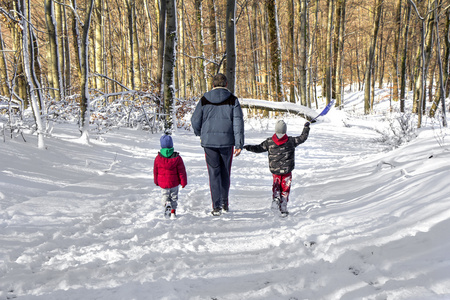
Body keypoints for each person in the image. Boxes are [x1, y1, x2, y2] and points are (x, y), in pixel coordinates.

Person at [191, 73, 244, 216]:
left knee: (213, 173)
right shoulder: (233, 100)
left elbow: (195, 121)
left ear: (213, 85)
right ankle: (225, 202)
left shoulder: (204, 100)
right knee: (225, 172)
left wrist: (200, 133)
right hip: (227, 143)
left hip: (209, 143)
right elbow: (238, 123)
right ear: (226, 84)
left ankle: (216, 206)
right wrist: (239, 143)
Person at [243, 120, 310, 216]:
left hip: (275, 170)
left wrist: (248, 147)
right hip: (287, 170)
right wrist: (306, 128)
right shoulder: (291, 141)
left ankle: (276, 198)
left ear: (275, 130)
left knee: (276, 185)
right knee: (285, 188)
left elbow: (258, 148)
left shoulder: (269, 142)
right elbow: (302, 138)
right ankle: (283, 207)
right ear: (285, 130)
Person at [153, 134, 187, 219]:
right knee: (174, 197)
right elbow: (182, 171)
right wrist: (183, 181)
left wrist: (156, 181)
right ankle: (173, 212)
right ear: (172, 145)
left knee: (165, 195)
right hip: (174, 183)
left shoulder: (158, 158)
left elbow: (155, 171)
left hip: (163, 182)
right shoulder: (177, 158)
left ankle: (166, 203)